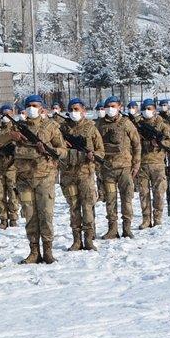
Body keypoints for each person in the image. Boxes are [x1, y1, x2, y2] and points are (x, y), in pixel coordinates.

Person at [10, 95, 66, 264]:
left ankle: (48, 251)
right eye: (28, 106)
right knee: (30, 216)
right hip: (24, 179)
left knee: (46, 215)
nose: (31, 108)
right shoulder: (18, 128)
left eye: (35, 105)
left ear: (42, 109)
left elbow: (63, 150)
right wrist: (10, 136)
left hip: (45, 178)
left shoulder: (51, 126)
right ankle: (34, 251)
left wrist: (48, 149)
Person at [58, 98, 104, 250]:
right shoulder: (62, 129)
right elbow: (55, 148)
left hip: (85, 173)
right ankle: (77, 240)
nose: (73, 112)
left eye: (77, 109)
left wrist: (94, 155)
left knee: (88, 207)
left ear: (84, 111)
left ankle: (89, 239)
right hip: (68, 174)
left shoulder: (91, 129)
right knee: (74, 208)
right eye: (71, 109)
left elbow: (101, 152)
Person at [96, 97, 141, 238]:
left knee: (126, 199)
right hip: (107, 169)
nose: (110, 108)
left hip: (124, 169)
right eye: (107, 106)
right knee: (110, 200)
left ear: (119, 106)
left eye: (113, 105)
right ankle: (112, 229)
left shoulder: (126, 123)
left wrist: (136, 163)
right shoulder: (99, 125)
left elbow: (136, 144)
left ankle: (127, 228)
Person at [134, 99, 170, 229]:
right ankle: (146, 219)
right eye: (145, 108)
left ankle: (157, 218)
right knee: (143, 193)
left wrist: (160, 143)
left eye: (150, 108)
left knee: (158, 192)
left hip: (157, 163)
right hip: (142, 163)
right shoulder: (137, 125)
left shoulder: (162, 125)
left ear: (155, 110)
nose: (147, 111)